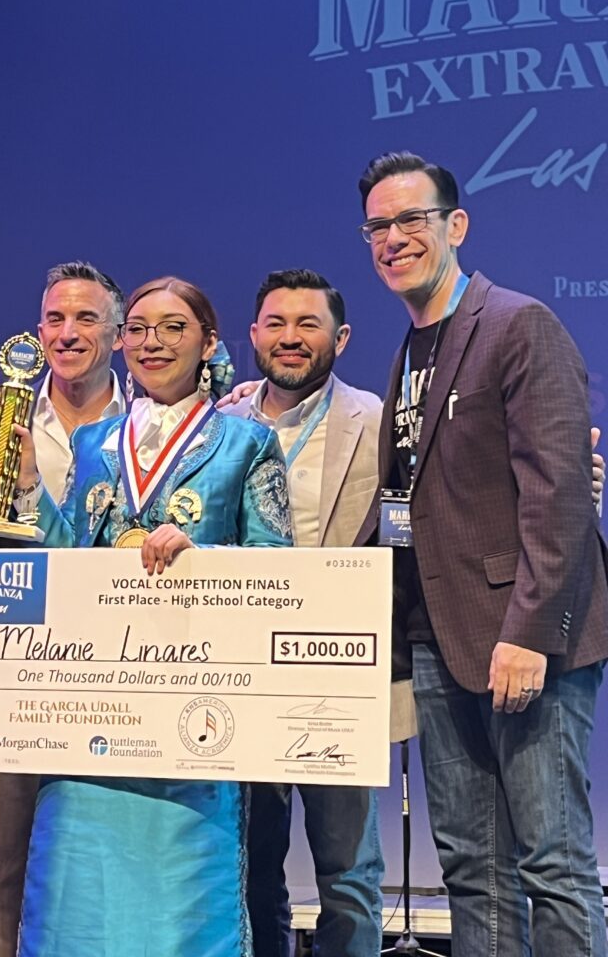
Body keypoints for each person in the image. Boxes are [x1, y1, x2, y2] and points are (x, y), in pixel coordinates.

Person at [354, 151, 608, 956]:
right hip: (439, 641)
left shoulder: (518, 324)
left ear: (456, 225)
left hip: (522, 640)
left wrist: (530, 633)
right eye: (378, 226)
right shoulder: (409, 351)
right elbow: (407, 503)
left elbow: (559, 493)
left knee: (552, 863)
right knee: (472, 868)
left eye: (412, 219)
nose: (394, 238)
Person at [0, 277, 291, 957]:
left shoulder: (247, 443)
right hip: (94, 711)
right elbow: (71, 561)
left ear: (209, 343)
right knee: (76, 898)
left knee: (183, 906)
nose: (151, 342)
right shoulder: (96, 441)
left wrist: (202, 556)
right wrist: (26, 486)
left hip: (195, 711)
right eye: (136, 328)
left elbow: (279, 569)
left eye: (172, 328)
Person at [224, 268, 395, 957]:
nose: (290, 338)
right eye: (276, 323)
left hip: (337, 672)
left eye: (308, 324)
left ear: (341, 338)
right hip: (240, 672)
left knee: (349, 873)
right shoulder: (221, 424)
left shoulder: (375, 421)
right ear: (254, 334)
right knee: (251, 868)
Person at [0, 261, 125, 957]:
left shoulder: (148, 428)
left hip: (120, 670)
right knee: (1, 865)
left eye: (87, 318)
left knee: (107, 862)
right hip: (15, 665)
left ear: (118, 334)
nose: (68, 333)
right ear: (36, 332)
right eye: (55, 318)